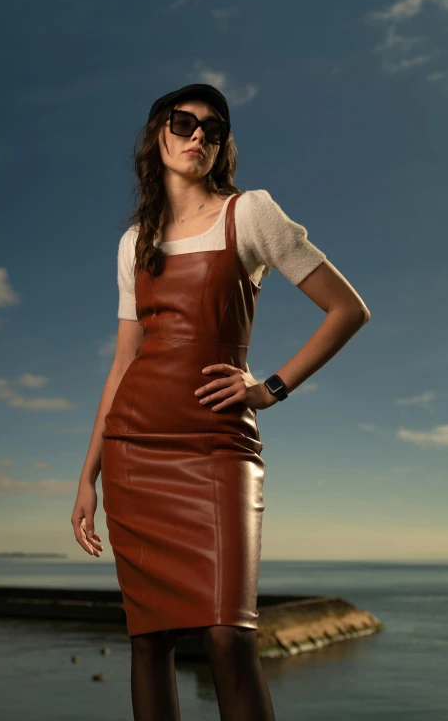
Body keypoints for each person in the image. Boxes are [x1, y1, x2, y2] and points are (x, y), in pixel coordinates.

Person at [71, 83, 370, 721]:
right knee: (149, 643)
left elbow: (348, 310)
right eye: (184, 123)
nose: (197, 136)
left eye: (213, 128)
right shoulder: (134, 243)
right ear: (159, 135)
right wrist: (87, 475)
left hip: (219, 447)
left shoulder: (251, 214)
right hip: (133, 450)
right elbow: (123, 362)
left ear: (222, 145)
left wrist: (269, 389)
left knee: (229, 638)